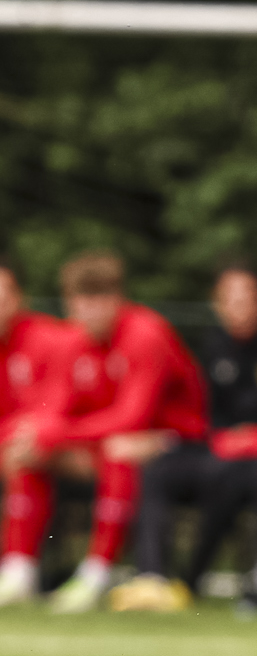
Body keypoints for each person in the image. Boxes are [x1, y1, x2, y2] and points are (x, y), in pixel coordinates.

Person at [0, 251, 209, 613]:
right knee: (32, 454)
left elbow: (133, 417)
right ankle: (19, 568)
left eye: (99, 299)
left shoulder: (146, 334)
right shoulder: (74, 341)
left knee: (119, 451)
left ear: (118, 299)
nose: (90, 311)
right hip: (108, 440)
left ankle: (97, 571)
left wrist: (58, 434)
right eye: (81, 301)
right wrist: (33, 435)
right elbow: (54, 406)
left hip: (177, 439)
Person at [111, 262, 257, 611]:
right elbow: (208, 414)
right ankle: (154, 578)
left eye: (244, 299)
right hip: (224, 450)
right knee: (160, 470)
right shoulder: (215, 344)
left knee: (255, 475)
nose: (236, 309)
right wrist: (217, 438)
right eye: (227, 300)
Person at [0, 257, 92, 606]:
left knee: (26, 454)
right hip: (21, 444)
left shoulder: (50, 339)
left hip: (60, 448)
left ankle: (19, 570)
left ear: (19, 297)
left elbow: (52, 414)